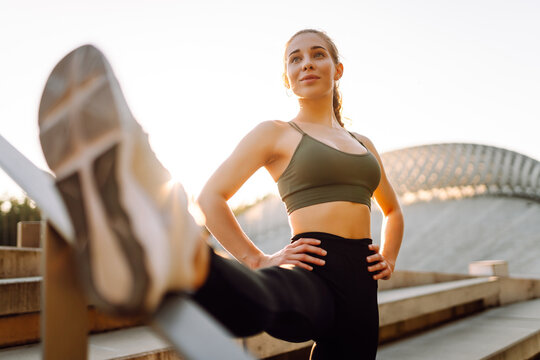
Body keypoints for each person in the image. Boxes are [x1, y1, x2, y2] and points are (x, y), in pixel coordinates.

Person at [37, 29, 404, 359]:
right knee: (269, 298)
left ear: (338, 69)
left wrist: (388, 256)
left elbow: (393, 211)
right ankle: (179, 254)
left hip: (361, 283)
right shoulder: (275, 132)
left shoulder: (363, 144)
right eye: (295, 58)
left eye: (317, 54)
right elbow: (211, 197)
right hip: (311, 267)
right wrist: (257, 258)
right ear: (287, 78)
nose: (306, 63)